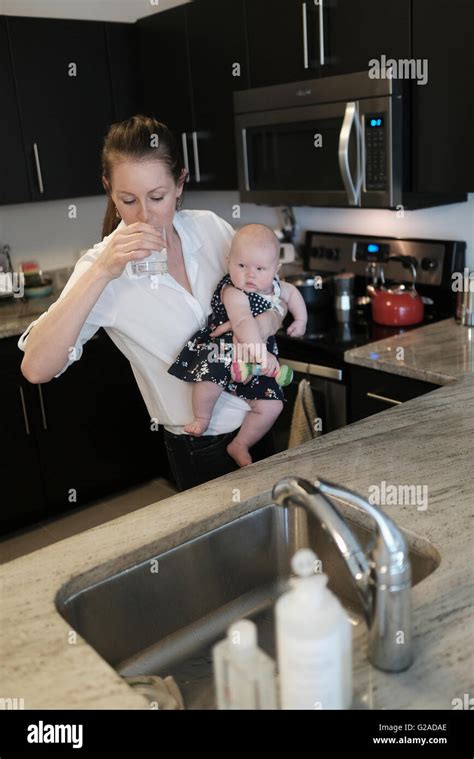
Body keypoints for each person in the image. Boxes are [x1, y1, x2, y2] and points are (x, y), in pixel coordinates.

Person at [18, 115, 286, 491]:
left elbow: (272, 292)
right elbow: (36, 368)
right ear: (109, 190)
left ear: (180, 183)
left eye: (157, 197)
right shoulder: (102, 268)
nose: (144, 215)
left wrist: (266, 324)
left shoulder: (210, 229)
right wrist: (102, 272)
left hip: (262, 422)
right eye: (128, 200)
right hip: (201, 447)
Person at [168, 223, 307, 467]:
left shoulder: (276, 287)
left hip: (256, 362)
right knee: (209, 380)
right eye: (241, 266)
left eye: (260, 268)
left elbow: (293, 294)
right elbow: (243, 322)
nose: (250, 274)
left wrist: (301, 320)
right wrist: (262, 356)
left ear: (276, 269)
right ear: (228, 261)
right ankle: (202, 417)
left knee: (272, 404)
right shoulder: (232, 291)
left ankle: (241, 443)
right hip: (223, 350)